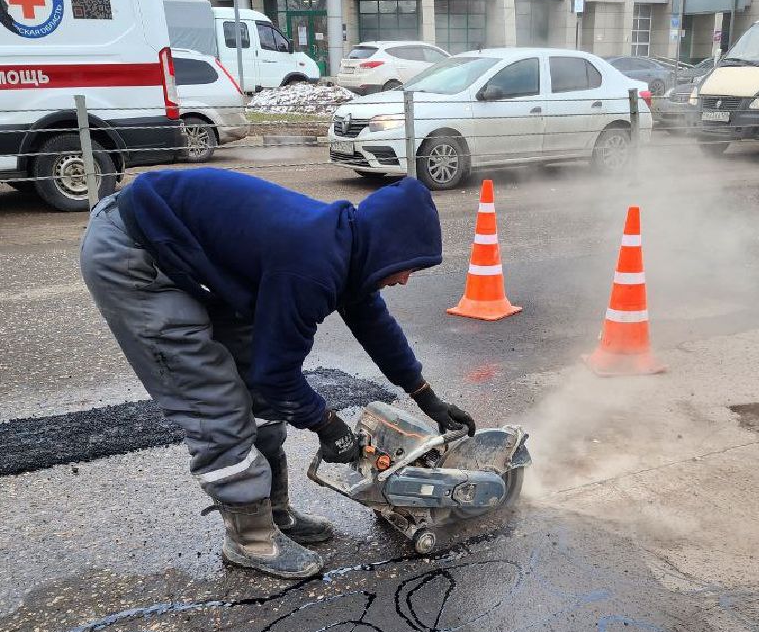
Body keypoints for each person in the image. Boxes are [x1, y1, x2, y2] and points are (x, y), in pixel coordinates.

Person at [79, 168, 475, 581]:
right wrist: (327, 424)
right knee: (212, 399)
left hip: (184, 254)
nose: (406, 279)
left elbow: (376, 327)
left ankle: (272, 514)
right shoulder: (311, 266)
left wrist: (427, 397)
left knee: (256, 382)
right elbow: (278, 375)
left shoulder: (349, 245)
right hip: (134, 255)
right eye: (408, 267)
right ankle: (251, 539)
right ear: (389, 249)